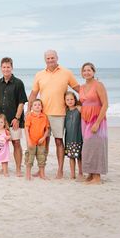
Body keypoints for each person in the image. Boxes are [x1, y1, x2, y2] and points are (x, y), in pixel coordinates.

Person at [28, 50, 79, 179]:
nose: (50, 60)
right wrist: (28, 110)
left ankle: (60, 170)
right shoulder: (39, 75)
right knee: (43, 142)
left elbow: (78, 89)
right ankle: (41, 170)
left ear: (57, 58)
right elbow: (34, 94)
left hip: (59, 114)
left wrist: (83, 103)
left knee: (58, 142)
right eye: (48, 58)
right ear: (45, 60)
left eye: (52, 58)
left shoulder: (67, 72)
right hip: (42, 115)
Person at [0, 57, 28, 177]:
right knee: (0, 144)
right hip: (0, 123)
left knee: (16, 143)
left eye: (8, 67)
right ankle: (1, 166)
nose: (6, 69)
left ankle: (18, 168)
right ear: (1, 68)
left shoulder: (18, 83)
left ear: (12, 68)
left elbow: (22, 102)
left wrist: (17, 118)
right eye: (4, 67)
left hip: (14, 121)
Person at [79, 62, 108, 185]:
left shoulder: (98, 85)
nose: (86, 72)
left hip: (96, 119)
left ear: (93, 72)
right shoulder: (81, 87)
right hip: (85, 120)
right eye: (84, 70)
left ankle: (97, 176)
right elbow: (82, 103)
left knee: (96, 146)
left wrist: (97, 122)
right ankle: (91, 174)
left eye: (89, 70)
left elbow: (105, 104)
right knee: (87, 147)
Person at [24, 99, 50, 180]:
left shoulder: (44, 116)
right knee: (29, 157)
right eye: (35, 105)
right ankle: (28, 174)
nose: (37, 106)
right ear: (31, 107)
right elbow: (26, 129)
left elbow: (47, 129)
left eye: (39, 104)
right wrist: (28, 140)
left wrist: (43, 138)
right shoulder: (30, 116)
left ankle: (42, 174)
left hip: (41, 142)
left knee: (41, 158)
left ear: (42, 107)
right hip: (31, 141)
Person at [64, 91, 83, 180]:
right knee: (71, 157)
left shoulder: (78, 109)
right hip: (69, 138)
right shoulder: (65, 111)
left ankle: (80, 172)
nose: (70, 101)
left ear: (75, 99)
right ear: (65, 101)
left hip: (78, 137)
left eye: (71, 99)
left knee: (79, 156)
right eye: (67, 100)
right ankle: (72, 174)